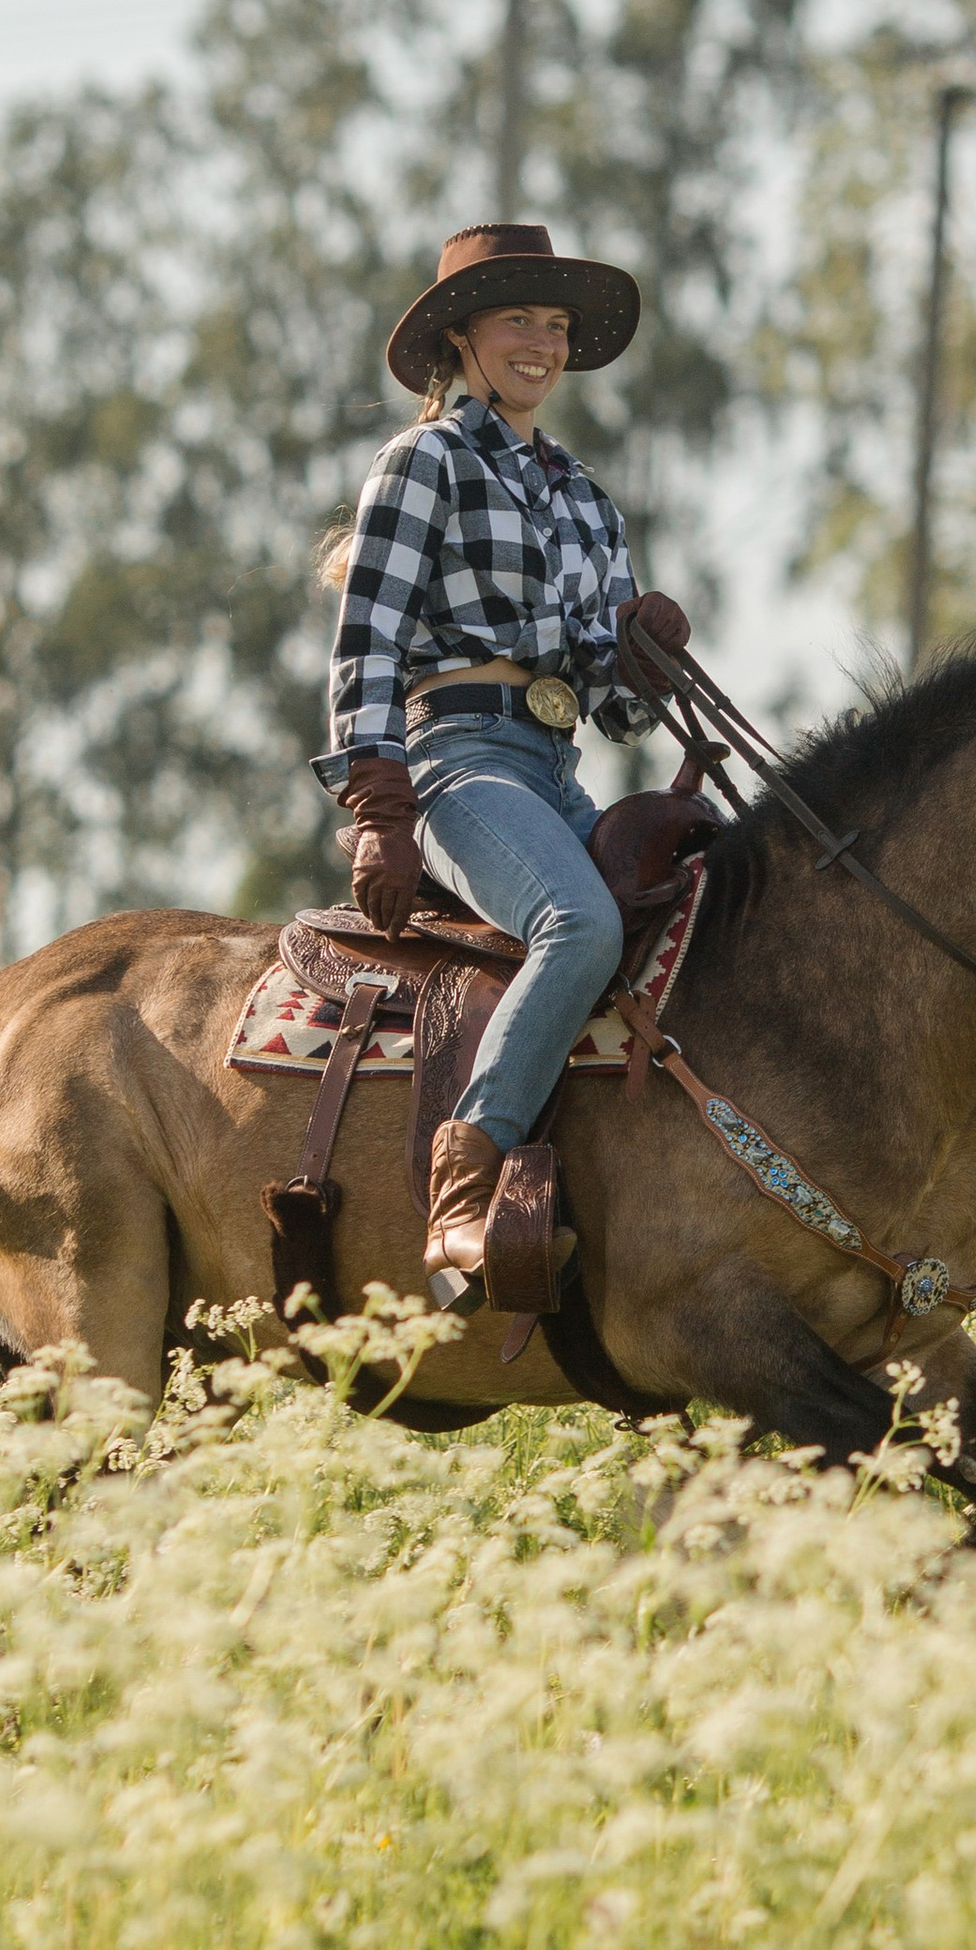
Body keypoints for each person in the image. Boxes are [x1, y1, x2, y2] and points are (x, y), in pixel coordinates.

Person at [317, 221, 691, 1309]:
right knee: (580, 924)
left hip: (558, 762)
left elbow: (614, 707)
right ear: (462, 337)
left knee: (686, 919)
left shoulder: (584, 496)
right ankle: (462, 1183)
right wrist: (376, 802)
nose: (542, 341)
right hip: (452, 759)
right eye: (519, 318)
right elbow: (368, 637)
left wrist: (646, 656)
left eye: (558, 324)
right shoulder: (421, 461)